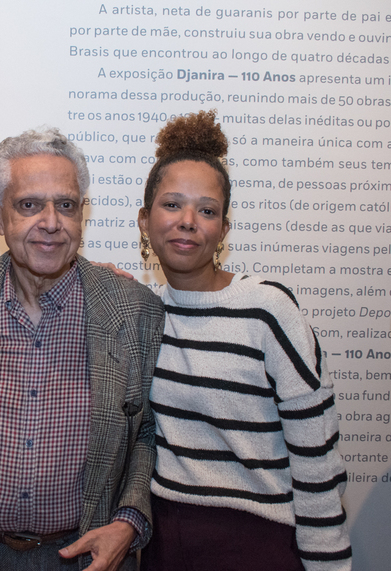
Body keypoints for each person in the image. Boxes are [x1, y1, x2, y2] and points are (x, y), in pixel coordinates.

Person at [0, 127, 165, 571]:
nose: (51, 222)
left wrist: (130, 521)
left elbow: (149, 432)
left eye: (66, 205)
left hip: (84, 557)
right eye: (30, 205)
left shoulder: (135, 312)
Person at [137, 111, 351, 570]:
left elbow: (317, 457)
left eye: (207, 210)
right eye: (172, 205)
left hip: (256, 544)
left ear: (224, 230)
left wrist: (328, 563)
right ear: (144, 220)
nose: (188, 221)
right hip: (162, 542)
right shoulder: (143, 313)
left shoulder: (267, 311)